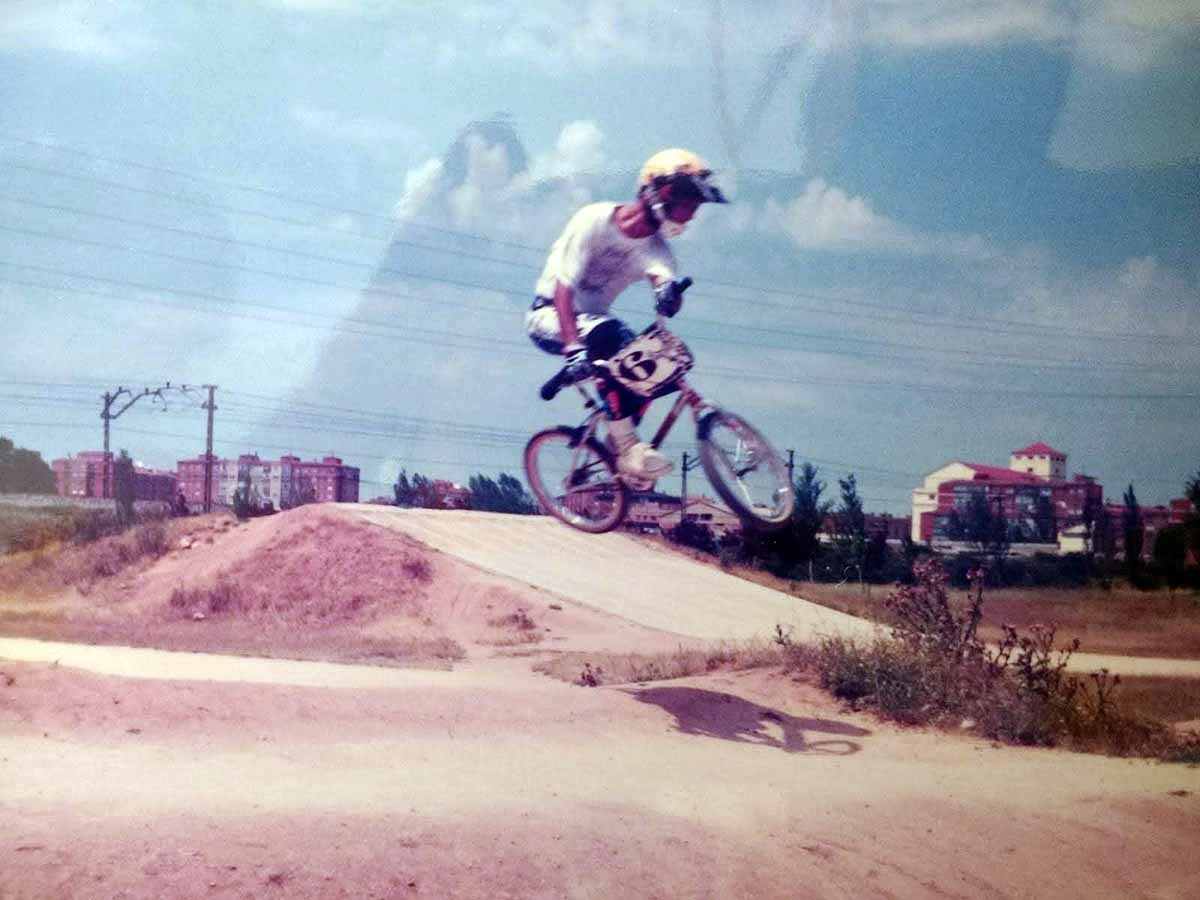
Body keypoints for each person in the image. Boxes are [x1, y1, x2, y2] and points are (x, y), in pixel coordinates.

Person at [526, 148, 727, 482]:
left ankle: (619, 446)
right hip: (549, 316)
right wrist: (573, 349)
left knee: (653, 362)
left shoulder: (658, 251)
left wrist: (668, 295)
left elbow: (663, 278)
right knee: (610, 334)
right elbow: (564, 290)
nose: (691, 215)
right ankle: (629, 446)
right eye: (687, 203)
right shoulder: (593, 220)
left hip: (595, 324)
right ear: (659, 191)